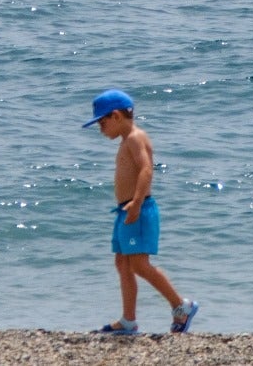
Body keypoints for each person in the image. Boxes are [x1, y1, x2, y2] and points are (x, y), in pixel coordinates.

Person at [83, 89, 200, 336]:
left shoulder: (136, 137)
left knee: (139, 264)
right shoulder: (127, 140)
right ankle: (128, 320)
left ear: (115, 116)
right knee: (122, 262)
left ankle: (181, 306)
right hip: (125, 210)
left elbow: (146, 170)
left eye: (101, 123)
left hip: (139, 208)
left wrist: (136, 203)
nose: (100, 129)